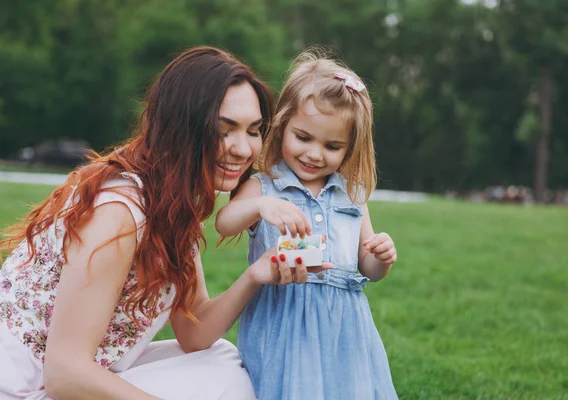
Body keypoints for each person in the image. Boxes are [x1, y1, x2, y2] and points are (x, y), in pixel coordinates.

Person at [0, 46, 331, 400]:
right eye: (224, 129)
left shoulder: (172, 201)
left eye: (253, 130)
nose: (243, 148)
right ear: (181, 128)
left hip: (69, 377)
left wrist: (255, 276)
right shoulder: (119, 213)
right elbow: (65, 374)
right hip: (22, 386)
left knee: (221, 362)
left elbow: (193, 331)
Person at [215, 50, 398, 399]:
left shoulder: (352, 196)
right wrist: (259, 205)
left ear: (350, 148)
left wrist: (381, 258)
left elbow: (368, 267)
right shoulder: (266, 185)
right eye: (303, 138)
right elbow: (225, 223)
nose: (315, 154)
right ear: (282, 126)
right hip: (283, 321)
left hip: (344, 328)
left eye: (332, 146)